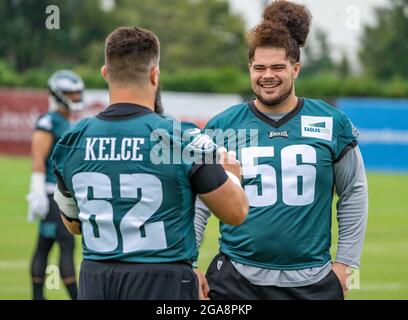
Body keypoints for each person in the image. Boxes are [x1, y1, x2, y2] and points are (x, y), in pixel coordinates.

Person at [51, 26, 248, 300]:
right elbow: (235, 212)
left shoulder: (72, 139)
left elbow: (73, 224)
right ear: (155, 75)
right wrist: (232, 175)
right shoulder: (180, 139)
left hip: (96, 278)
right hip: (162, 279)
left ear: (106, 73)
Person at [195, 1, 368, 300]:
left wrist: (346, 264)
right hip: (236, 279)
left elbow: (354, 191)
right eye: (259, 67)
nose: (268, 75)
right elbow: (198, 201)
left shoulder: (331, 123)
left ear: (296, 68)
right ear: (250, 68)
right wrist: (190, 262)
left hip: (312, 280)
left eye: (278, 67)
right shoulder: (222, 126)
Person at [27, 69, 85, 300]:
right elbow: (38, 158)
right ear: (58, 94)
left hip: (58, 192)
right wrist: (37, 192)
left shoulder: (63, 121)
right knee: (65, 245)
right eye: (70, 94)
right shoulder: (49, 121)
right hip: (52, 194)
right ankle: (78, 296)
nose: (75, 98)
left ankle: (38, 296)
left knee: (45, 244)